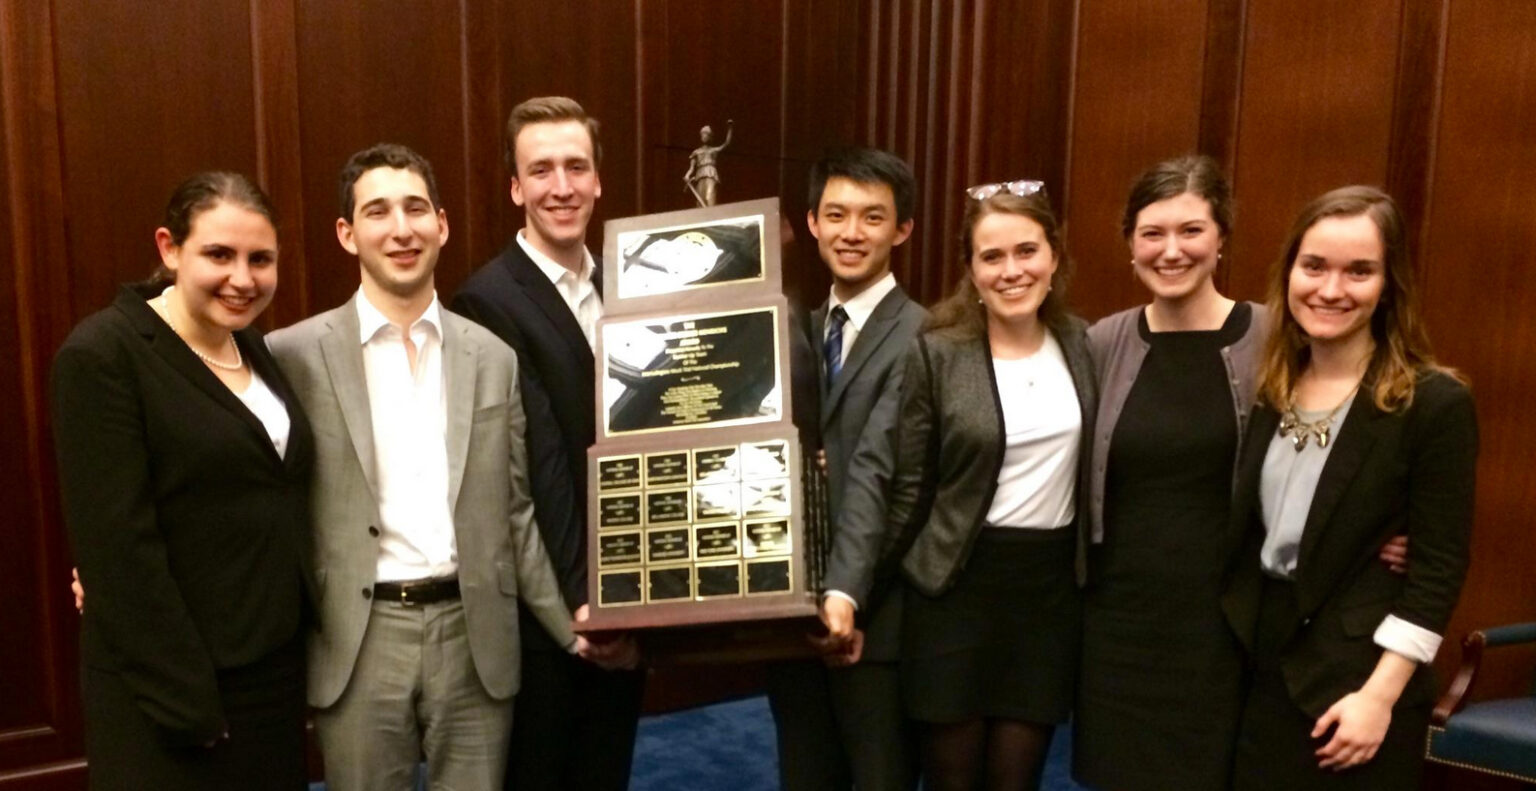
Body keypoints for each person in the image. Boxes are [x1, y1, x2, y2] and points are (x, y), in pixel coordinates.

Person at [266, 143, 578, 789]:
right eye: (377, 211)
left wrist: (573, 627)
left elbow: (516, 511)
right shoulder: (291, 355)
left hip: (475, 636)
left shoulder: (494, 357)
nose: (401, 228)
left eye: (415, 208)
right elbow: (247, 496)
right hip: (359, 640)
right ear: (347, 233)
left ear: (442, 223)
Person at [51, 172, 313, 789]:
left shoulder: (250, 346)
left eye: (261, 259)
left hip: (270, 681)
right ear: (170, 249)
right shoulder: (103, 356)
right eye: (218, 255)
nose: (242, 278)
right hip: (172, 697)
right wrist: (189, 707)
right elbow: (118, 552)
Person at [1221, 186, 1477, 789]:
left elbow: (1437, 571)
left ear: (1389, 285)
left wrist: (1378, 699)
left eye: (1359, 271)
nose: (1331, 290)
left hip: (1357, 686)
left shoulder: (1434, 403)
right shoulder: (1274, 388)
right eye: (1314, 267)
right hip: (1261, 667)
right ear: (1289, 272)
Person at [450, 96, 643, 791]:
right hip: (552, 612)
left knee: (604, 770)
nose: (560, 186)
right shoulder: (489, 301)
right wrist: (582, 603)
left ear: (598, 180)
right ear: (515, 187)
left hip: (626, 587)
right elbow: (533, 472)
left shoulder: (630, 284)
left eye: (575, 167)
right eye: (541, 170)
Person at [884, 185, 1095, 791]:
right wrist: (858, 588)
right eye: (991, 257)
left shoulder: (1082, 344)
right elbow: (910, 486)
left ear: (1053, 255)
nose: (1011, 271)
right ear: (971, 270)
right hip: (956, 589)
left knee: (1016, 781)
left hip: (1047, 596)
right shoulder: (938, 354)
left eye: (1026, 251)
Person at [1072, 155, 1263, 790]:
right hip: (1118, 621)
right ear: (1130, 244)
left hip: (1221, 624)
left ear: (1221, 239)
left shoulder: (1272, 336)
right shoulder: (1103, 342)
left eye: (1191, 230)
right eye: (1153, 233)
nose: (1171, 250)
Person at [765, 146, 925, 791]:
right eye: (836, 214)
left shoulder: (926, 339)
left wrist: (852, 596)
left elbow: (901, 489)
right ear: (811, 223)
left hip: (877, 622)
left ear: (903, 230)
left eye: (872, 217)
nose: (851, 233)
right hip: (792, 615)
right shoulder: (788, 331)